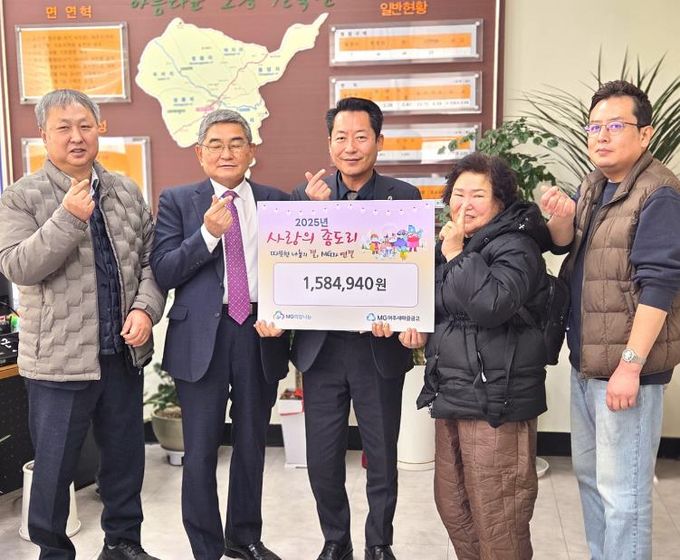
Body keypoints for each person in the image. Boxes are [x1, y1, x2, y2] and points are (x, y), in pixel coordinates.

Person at [0, 89, 165, 560]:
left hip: (122, 356)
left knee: (125, 462)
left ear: (99, 129)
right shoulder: (21, 196)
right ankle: (54, 553)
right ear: (44, 135)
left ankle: (123, 544)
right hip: (58, 362)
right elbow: (17, 266)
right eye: (64, 128)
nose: (76, 137)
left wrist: (145, 310)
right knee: (54, 470)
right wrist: (68, 218)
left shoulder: (125, 190)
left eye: (85, 126)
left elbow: (152, 261)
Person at [256, 97, 420, 560]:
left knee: (381, 456)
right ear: (329, 144)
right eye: (341, 137)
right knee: (323, 458)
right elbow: (288, 270)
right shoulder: (305, 196)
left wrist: (406, 319)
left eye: (361, 137)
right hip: (321, 351)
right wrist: (313, 214)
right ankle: (336, 540)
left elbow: (413, 271)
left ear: (379, 142)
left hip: (377, 349)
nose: (351, 147)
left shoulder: (403, 196)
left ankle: (379, 543)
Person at [540, 80, 680, 560]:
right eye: (594, 127)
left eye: (615, 126)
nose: (601, 135)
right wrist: (561, 217)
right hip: (588, 362)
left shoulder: (659, 192)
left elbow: (659, 285)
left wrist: (631, 365)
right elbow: (567, 247)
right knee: (591, 478)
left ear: (645, 133)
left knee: (624, 496)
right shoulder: (594, 185)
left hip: (624, 370)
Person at [150, 109, 289, 560]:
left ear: (252, 151)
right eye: (216, 144)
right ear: (200, 153)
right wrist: (208, 234)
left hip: (259, 332)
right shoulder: (177, 201)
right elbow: (165, 270)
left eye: (236, 143)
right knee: (201, 451)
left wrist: (284, 314)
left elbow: (296, 270)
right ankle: (205, 548)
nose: (226, 152)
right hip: (199, 339)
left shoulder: (277, 202)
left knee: (252, 445)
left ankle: (243, 538)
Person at [403, 152, 551, 560]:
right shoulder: (454, 245)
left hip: (496, 401)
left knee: (498, 516)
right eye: (458, 194)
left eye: (478, 195)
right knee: (456, 508)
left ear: (500, 201)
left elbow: (492, 305)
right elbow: (438, 305)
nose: (464, 204)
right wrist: (415, 327)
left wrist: (456, 255)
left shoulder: (517, 246)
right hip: (452, 394)